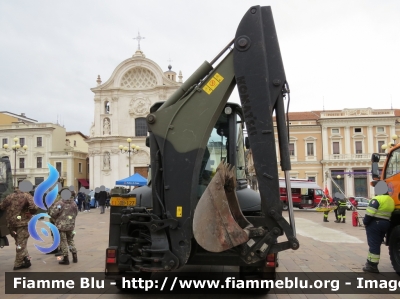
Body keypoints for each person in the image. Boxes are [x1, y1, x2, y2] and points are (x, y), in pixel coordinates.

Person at [0, 180, 38, 270]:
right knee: (21, 244)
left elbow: (1, 206)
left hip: (11, 224)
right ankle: (18, 264)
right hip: (21, 223)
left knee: (19, 243)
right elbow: (34, 207)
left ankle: (26, 258)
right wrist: (30, 212)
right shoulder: (27, 196)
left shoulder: (10, 196)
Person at [362, 181, 394, 273]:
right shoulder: (390, 199)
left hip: (375, 223)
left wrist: (365, 222)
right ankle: (371, 262)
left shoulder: (377, 199)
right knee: (377, 243)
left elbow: (370, 213)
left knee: (373, 244)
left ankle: (372, 266)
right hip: (386, 223)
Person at [49, 187, 78, 265]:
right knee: (71, 240)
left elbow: (53, 213)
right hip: (71, 225)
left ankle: (66, 258)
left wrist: (57, 219)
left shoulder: (60, 203)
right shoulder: (74, 203)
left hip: (61, 226)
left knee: (63, 241)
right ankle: (74, 255)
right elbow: (76, 213)